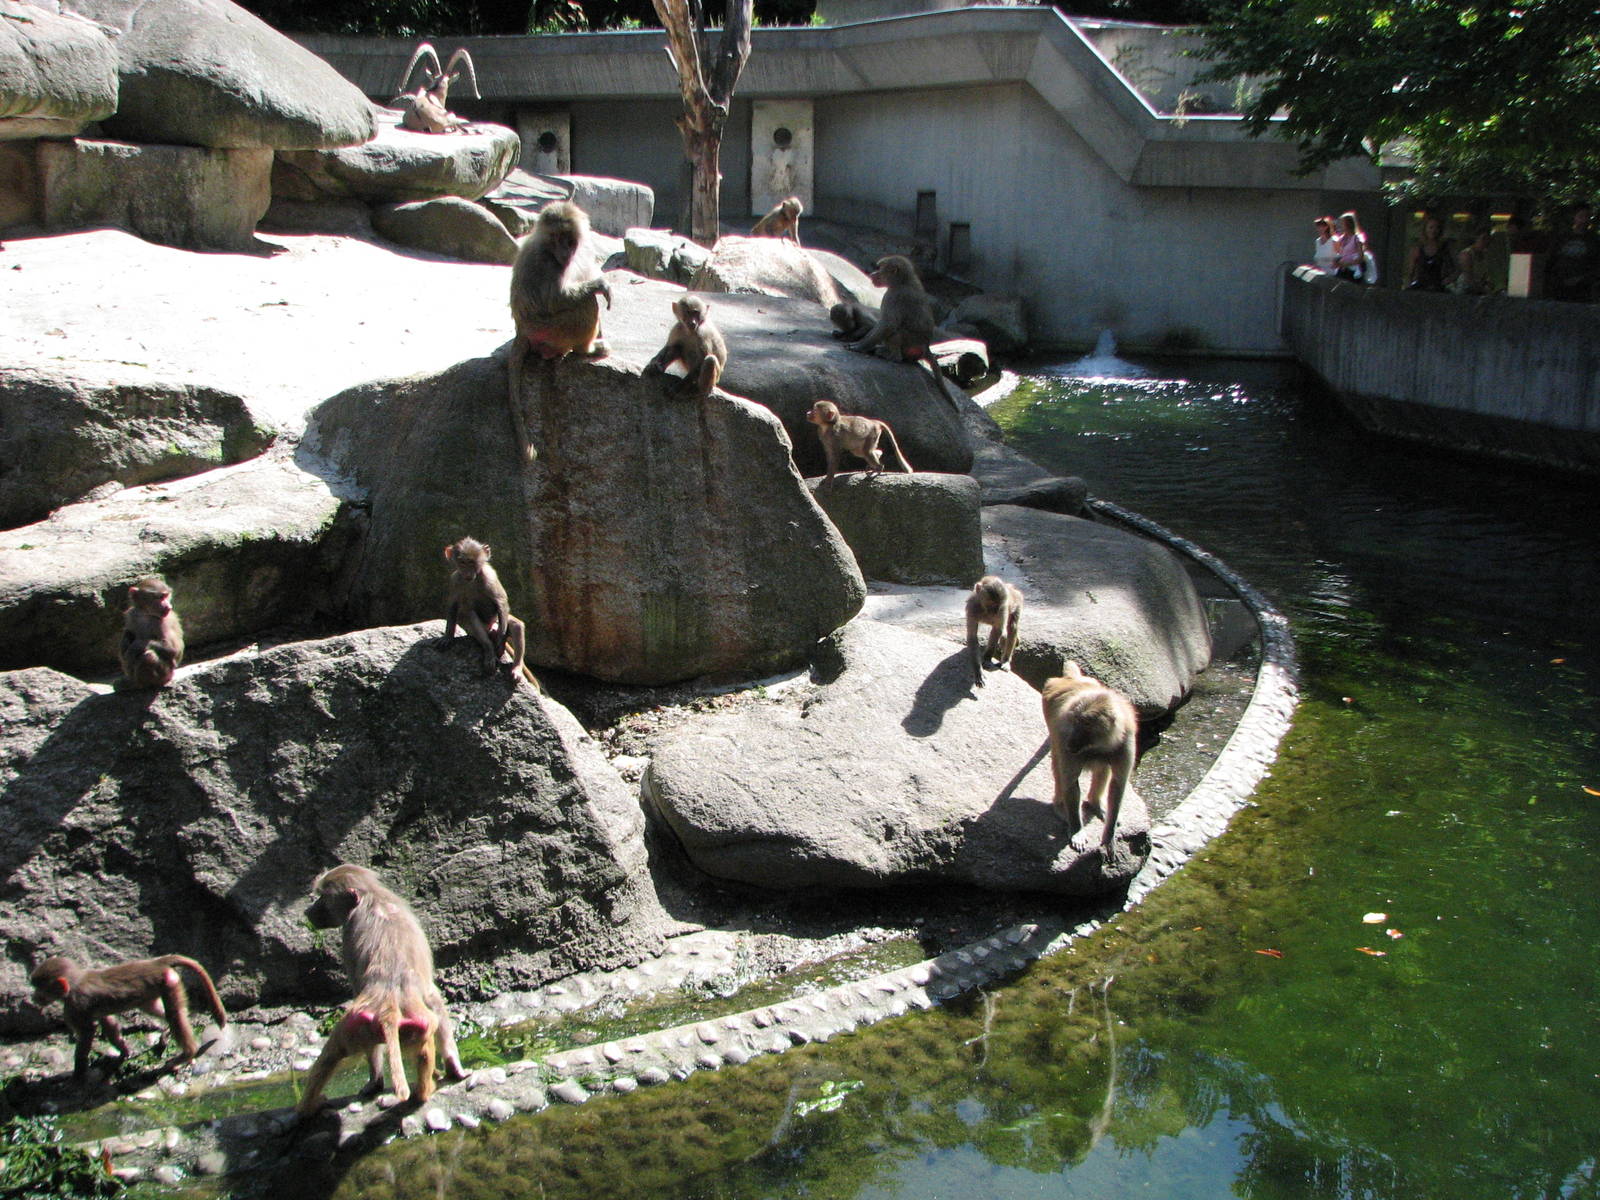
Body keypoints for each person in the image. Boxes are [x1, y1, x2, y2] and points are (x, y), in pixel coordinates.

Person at [1544, 203, 1599, 302]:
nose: (1584, 220)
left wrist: (1584, 279)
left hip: (1583, 288)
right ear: (1574, 217)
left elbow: (1596, 265)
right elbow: (1551, 259)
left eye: (1587, 216)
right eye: (1581, 216)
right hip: (1559, 285)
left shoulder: (1594, 240)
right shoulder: (1562, 237)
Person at [1405, 215, 1456, 291]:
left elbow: (1453, 270)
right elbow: (1410, 272)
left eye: (1437, 228)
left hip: (1437, 287)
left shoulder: (1443, 249)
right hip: (1420, 287)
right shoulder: (1418, 248)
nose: (1433, 231)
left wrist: (1447, 280)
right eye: (1431, 227)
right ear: (1425, 229)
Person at [1454, 227, 1494, 295]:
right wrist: (1483, 290)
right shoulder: (1467, 254)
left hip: (1479, 288)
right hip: (1465, 290)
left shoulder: (1486, 255)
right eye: (1483, 238)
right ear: (1476, 238)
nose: (1486, 242)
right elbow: (1468, 277)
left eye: (1488, 239)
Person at [1333, 211, 1369, 283]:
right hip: (1342, 270)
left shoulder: (1357, 238)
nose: (1340, 225)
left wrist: (1346, 264)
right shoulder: (1342, 238)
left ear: (1348, 224)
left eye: (1342, 223)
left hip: (1352, 272)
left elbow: (1360, 258)